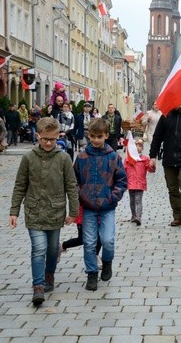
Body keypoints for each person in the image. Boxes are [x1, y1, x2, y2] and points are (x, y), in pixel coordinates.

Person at [9, 117, 79, 306]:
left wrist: (73, 211)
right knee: (39, 248)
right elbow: (20, 185)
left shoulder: (63, 158)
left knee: (52, 249)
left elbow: (71, 186)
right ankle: (37, 286)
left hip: (55, 212)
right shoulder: (29, 158)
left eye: (52, 140)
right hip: (34, 211)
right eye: (44, 139)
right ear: (38, 136)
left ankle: (49, 274)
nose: (48, 143)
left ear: (58, 137)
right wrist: (14, 211)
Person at [73, 118, 127, 291]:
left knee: (108, 240)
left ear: (106, 136)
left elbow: (122, 180)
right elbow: (74, 180)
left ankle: (107, 261)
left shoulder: (113, 157)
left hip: (107, 206)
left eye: (99, 136)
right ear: (89, 136)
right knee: (89, 242)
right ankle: (91, 273)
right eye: (93, 136)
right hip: (88, 206)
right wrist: (80, 195)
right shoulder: (82, 157)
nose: (96, 140)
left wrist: (113, 197)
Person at [124, 138, 153, 226]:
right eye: (136, 146)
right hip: (131, 183)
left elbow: (150, 169)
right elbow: (123, 170)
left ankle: (138, 217)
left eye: (140, 146)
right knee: (132, 200)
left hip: (140, 183)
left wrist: (152, 166)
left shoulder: (144, 159)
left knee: (138, 200)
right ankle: (133, 215)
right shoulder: (128, 159)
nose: (138, 148)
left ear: (142, 148)